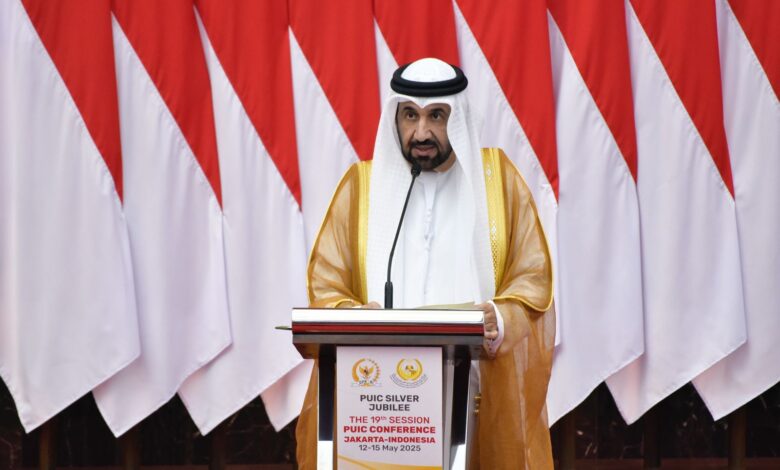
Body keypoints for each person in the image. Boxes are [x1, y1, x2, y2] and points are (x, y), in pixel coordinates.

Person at [296, 58, 555, 469]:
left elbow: (533, 277)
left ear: (458, 117)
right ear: (395, 118)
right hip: (378, 406)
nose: (421, 133)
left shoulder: (497, 182)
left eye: (437, 116)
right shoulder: (361, 187)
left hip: (472, 401)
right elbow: (326, 283)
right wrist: (355, 317)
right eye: (410, 115)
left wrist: (499, 317)